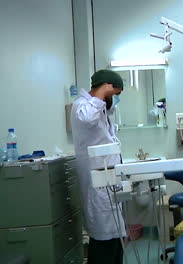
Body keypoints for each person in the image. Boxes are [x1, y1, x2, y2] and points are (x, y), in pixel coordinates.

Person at [70, 69, 125, 264]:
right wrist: (102, 93)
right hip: (98, 186)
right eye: (114, 93)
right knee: (103, 238)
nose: (114, 99)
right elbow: (87, 119)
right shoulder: (81, 107)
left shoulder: (99, 109)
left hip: (108, 180)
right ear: (105, 87)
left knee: (116, 238)